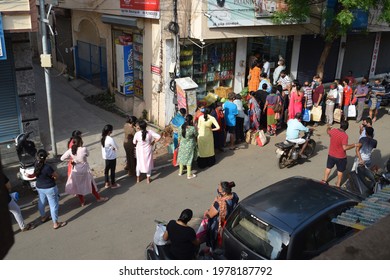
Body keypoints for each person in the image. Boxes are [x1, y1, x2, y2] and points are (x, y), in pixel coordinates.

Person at [61, 136, 108, 207]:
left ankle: (82, 201)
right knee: (90, 184)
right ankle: (98, 198)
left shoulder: (71, 150)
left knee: (78, 186)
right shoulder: (83, 149)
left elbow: (62, 158)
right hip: (84, 169)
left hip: (76, 170)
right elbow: (88, 154)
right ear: (80, 142)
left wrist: (71, 160)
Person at [34, 149, 67, 230]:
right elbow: (56, 176)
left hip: (39, 187)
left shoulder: (36, 164)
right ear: (46, 157)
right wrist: (53, 178)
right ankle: (55, 223)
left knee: (41, 202)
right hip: (49, 188)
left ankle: (43, 217)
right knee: (53, 205)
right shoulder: (47, 167)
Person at [203, 181, 239, 250]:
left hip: (217, 225)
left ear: (224, 193)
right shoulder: (234, 195)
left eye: (219, 190)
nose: (218, 190)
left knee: (214, 239)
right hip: (228, 221)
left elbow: (209, 215)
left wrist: (207, 211)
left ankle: (212, 250)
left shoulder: (219, 204)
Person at [322, 120, 356, 187]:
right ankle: (338, 184)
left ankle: (324, 180)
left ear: (340, 125)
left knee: (328, 168)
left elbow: (328, 132)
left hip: (331, 154)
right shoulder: (345, 136)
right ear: (347, 128)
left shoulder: (334, 130)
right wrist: (354, 145)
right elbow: (345, 147)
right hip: (341, 157)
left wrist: (328, 127)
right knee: (340, 171)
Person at [177, 115, 198, 179]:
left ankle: (180, 172)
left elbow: (179, 137)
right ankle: (189, 175)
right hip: (189, 145)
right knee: (189, 159)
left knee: (181, 157)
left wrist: (179, 144)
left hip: (182, 145)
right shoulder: (192, 128)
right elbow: (196, 135)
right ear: (191, 120)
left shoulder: (180, 127)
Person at [101, 124, 120, 189]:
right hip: (112, 157)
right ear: (109, 131)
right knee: (112, 170)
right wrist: (113, 148)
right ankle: (113, 184)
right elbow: (117, 147)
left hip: (106, 157)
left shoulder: (103, 138)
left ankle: (106, 183)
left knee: (106, 170)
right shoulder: (110, 139)